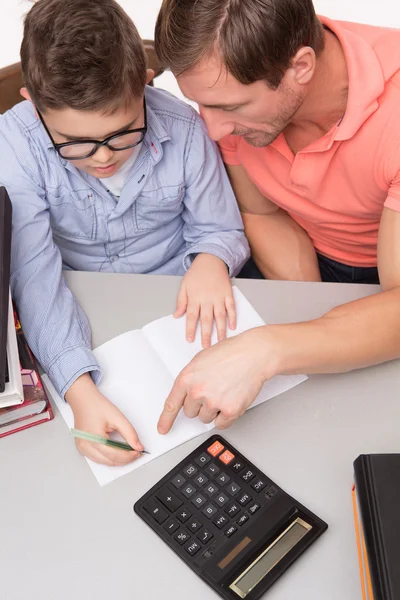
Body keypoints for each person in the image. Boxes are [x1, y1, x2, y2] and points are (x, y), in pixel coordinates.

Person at [0, 0, 249, 465]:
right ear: (32, 104)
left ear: (145, 83)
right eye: (75, 143)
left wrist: (212, 260)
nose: (102, 158)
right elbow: (33, 275)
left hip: (182, 308)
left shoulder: (185, 128)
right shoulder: (12, 146)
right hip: (73, 309)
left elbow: (219, 227)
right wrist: (79, 392)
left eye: (122, 133)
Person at [154, 0, 400, 435]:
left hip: (383, 279)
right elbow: (260, 212)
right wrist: (308, 325)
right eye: (200, 105)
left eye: (232, 106)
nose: (211, 131)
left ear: (301, 66)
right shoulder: (230, 97)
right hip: (298, 261)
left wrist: (268, 349)